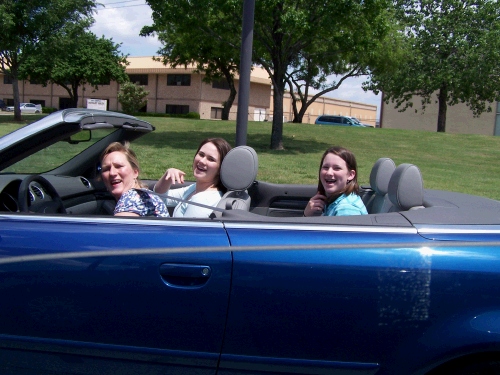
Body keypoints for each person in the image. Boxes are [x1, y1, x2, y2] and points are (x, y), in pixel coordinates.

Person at [153, 138, 232, 218]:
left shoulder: (203, 200)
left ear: (220, 169)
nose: (202, 161)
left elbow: (184, 229)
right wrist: (168, 175)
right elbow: (160, 197)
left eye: (211, 159)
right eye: (201, 154)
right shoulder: (195, 189)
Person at [100, 142, 168, 217]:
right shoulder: (144, 195)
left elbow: (120, 228)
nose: (112, 173)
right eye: (106, 169)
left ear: (135, 172)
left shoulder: (131, 199)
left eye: (119, 166)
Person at [304, 146, 368, 217]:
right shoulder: (335, 200)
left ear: (350, 175)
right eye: (325, 167)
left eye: (337, 168)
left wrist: (305, 216)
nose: (329, 172)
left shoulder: (346, 210)